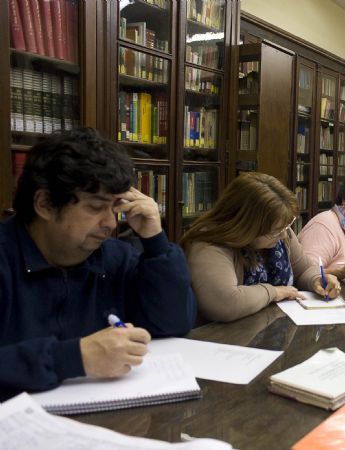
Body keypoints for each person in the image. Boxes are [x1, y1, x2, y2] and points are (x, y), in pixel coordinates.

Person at [0, 128, 197, 401]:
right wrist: (74, 358)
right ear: (44, 204)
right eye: (95, 207)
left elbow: (173, 324)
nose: (111, 223)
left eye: (115, 207)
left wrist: (156, 243)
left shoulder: (115, 257)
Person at [181, 172, 341, 323]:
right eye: (275, 231)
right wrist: (273, 292)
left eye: (286, 227)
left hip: (273, 327)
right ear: (246, 226)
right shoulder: (209, 244)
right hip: (224, 337)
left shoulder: (280, 232)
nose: (284, 235)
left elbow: (304, 269)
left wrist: (317, 279)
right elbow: (225, 303)